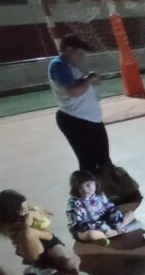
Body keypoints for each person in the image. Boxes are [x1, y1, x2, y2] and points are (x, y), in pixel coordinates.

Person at [48, 34, 112, 176]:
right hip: (76, 120)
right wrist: (89, 79)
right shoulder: (59, 65)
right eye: (80, 53)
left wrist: (89, 79)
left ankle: (108, 187)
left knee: (104, 161)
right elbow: (73, 91)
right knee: (88, 163)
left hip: (90, 120)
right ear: (69, 50)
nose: (82, 58)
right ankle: (91, 189)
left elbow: (79, 85)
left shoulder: (71, 66)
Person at [0, 189, 79, 275]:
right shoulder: (8, 225)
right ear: (10, 212)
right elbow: (25, 233)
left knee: (69, 263)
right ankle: (42, 266)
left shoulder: (27, 213)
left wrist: (40, 215)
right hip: (35, 250)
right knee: (28, 233)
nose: (26, 210)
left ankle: (51, 265)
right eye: (22, 209)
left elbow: (49, 236)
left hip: (47, 242)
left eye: (26, 206)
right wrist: (28, 221)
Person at [65, 171, 138, 246]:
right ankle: (109, 236)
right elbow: (80, 224)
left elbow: (111, 209)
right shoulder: (74, 204)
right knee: (92, 234)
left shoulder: (100, 195)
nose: (91, 187)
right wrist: (105, 229)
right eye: (87, 185)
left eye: (92, 183)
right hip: (86, 228)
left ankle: (113, 233)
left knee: (130, 214)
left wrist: (117, 224)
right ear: (78, 188)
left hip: (105, 222)